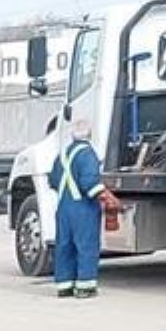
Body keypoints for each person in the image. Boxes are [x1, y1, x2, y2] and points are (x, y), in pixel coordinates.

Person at [52, 117, 106, 298]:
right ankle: (85, 286)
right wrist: (107, 198)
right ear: (89, 135)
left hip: (63, 208)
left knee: (64, 245)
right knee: (86, 245)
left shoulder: (61, 155)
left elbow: (53, 181)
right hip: (84, 208)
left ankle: (64, 286)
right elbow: (89, 182)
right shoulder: (88, 154)